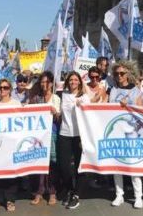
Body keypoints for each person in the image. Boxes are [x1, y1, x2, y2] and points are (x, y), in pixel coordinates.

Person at [108, 60, 143, 209]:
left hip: (131, 132)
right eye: (116, 74)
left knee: (133, 164)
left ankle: (138, 196)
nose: (119, 76)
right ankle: (119, 194)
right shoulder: (113, 90)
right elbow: (107, 108)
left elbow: (141, 110)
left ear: (128, 74)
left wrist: (128, 105)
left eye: (122, 73)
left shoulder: (136, 90)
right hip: (117, 131)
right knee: (117, 164)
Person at [0, 79, 21, 212]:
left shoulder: (16, 104)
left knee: (11, 173)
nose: (3, 90)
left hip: (11, 144)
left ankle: (10, 199)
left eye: (6, 88)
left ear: (10, 90)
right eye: (0, 88)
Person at [28, 71, 60, 207]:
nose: (44, 84)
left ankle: (52, 192)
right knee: (40, 163)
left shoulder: (56, 98)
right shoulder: (36, 98)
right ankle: (39, 191)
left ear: (51, 83)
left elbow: (59, 118)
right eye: (42, 82)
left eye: (47, 82)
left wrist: (55, 112)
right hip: (39, 135)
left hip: (52, 133)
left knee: (52, 163)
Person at [57, 72, 86, 210]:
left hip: (80, 135)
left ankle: (76, 194)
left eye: (76, 79)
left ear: (80, 82)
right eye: (71, 80)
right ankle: (69, 189)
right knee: (64, 166)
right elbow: (58, 112)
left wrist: (84, 106)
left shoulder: (84, 97)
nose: (73, 82)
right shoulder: (62, 95)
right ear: (67, 82)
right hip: (64, 134)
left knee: (79, 166)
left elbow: (92, 114)